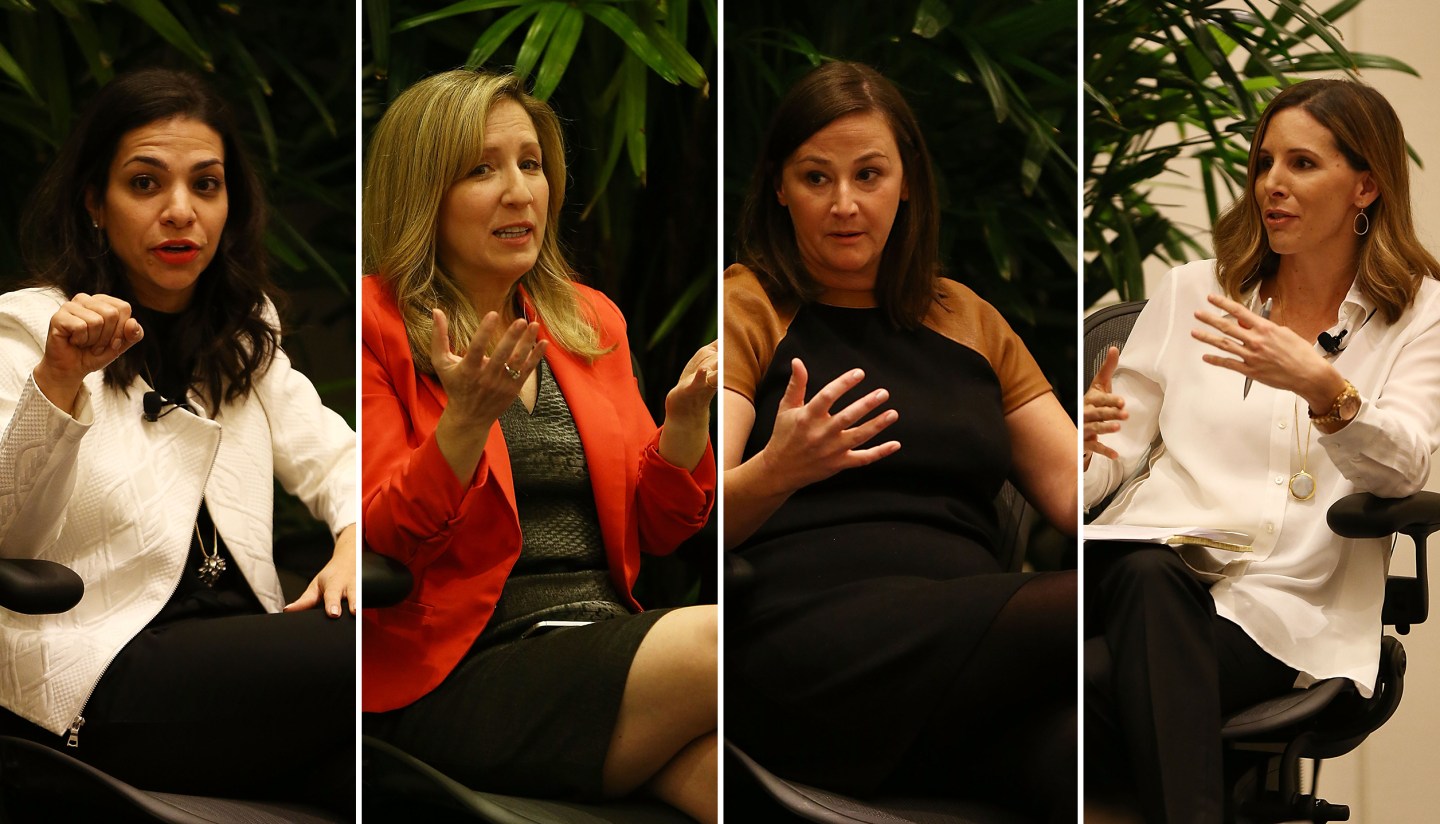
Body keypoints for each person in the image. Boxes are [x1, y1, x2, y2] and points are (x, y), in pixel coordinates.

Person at [723, 61, 1078, 822]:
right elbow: (693, 516)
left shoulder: (968, 317)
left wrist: (1126, 438)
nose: (844, 204)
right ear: (779, 189)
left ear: (907, 181)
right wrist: (779, 470)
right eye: (816, 178)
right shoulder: (749, 303)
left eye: (869, 174)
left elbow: (1082, 500)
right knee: (1113, 603)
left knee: (1083, 763)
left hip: (971, 665)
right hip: (815, 653)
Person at [360, 70, 718, 822]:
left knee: (729, 782)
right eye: (482, 169)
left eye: (531, 164)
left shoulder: (588, 321)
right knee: (733, 643)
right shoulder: (380, 324)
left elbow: (660, 530)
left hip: (605, 644)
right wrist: (464, 423)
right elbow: (383, 540)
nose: (520, 191)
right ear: (424, 192)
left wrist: (684, 431)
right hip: (461, 671)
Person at [1083, 78, 1440, 823]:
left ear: (1365, 186)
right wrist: (1083, 445)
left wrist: (1325, 389)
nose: (1271, 185)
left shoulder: (1419, 313)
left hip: (1281, 607)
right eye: (1263, 163)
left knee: (1067, 709)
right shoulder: (1194, 292)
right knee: (1147, 570)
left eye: (1302, 164)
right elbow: (1107, 462)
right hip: (1141, 569)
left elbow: (1404, 465)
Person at [0, 68, 356, 812]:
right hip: (95, 674)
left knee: (386, 776)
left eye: (206, 184)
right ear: (95, 203)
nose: (180, 212)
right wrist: (60, 380)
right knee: (380, 649)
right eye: (145, 184)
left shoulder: (242, 334)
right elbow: (6, 528)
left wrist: (355, 537)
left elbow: (339, 457)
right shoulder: (31, 328)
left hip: (234, 668)